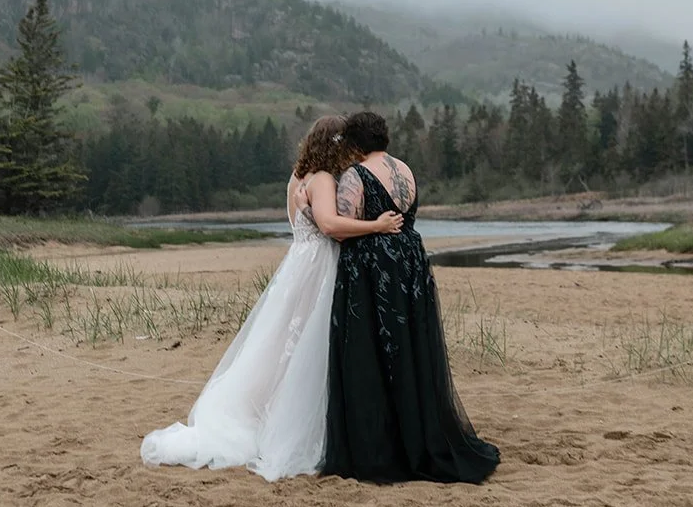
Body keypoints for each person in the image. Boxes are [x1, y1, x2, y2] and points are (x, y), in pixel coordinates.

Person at [140, 116, 403, 481]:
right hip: (318, 268)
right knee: (306, 348)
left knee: (282, 345)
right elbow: (330, 227)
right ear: (337, 145)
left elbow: (302, 224)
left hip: (298, 264)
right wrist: (377, 225)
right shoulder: (324, 180)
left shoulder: (298, 178)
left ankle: (270, 411)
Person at [322, 111, 500, 484]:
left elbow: (341, 229)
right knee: (409, 349)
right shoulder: (405, 170)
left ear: (355, 143)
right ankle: (416, 436)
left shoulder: (355, 176)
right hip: (410, 263)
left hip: (373, 270)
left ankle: (381, 447)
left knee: (371, 352)